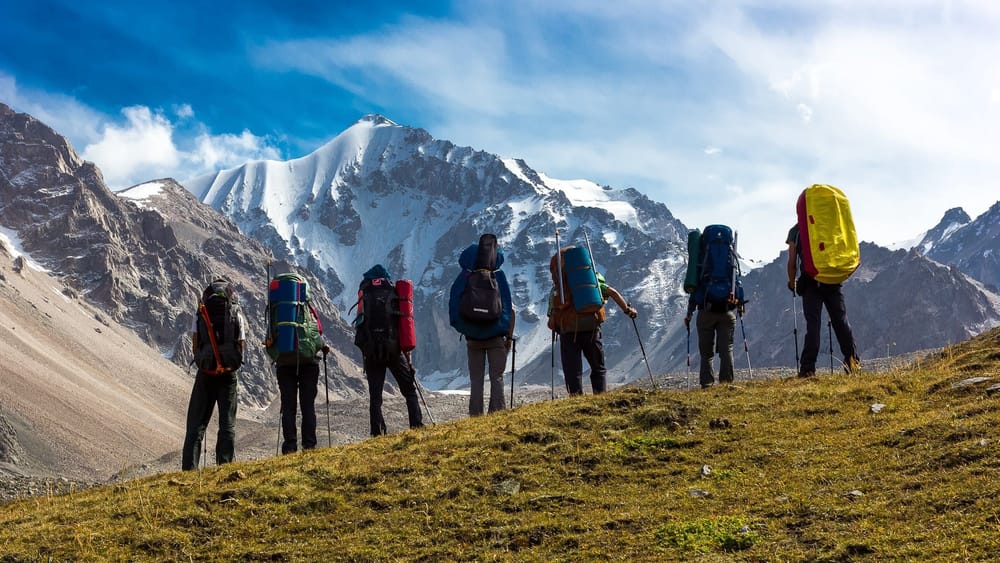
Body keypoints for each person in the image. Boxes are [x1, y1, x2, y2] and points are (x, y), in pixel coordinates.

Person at [548, 252, 636, 395]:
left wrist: (556, 323)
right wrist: (627, 309)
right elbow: (612, 292)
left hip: (569, 332)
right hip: (592, 328)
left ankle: (576, 398)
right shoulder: (592, 280)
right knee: (598, 366)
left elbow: (551, 322)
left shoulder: (559, 288)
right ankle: (600, 395)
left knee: (572, 369)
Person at [182, 279, 247, 470]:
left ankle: (189, 469)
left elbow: (195, 343)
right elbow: (240, 343)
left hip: (206, 372)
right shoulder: (235, 312)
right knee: (227, 423)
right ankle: (224, 466)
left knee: (196, 425)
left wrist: (205, 361)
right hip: (228, 374)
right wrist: (228, 365)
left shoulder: (202, 312)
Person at [354, 264, 424, 436]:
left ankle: (376, 432)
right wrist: (406, 351)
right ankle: (416, 424)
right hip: (394, 349)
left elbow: (359, 324)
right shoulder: (393, 291)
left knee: (375, 396)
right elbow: (403, 322)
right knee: (409, 390)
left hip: (372, 351)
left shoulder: (365, 293)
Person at [448, 237, 515, 415]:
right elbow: (508, 308)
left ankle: (476, 416)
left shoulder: (464, 276)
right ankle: (497, 413)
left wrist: (465, 329)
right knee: (497, 376)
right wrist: (507, 335)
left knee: (476, 379)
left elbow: (454, 306)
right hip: (496, 337)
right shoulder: (498, 276)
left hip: (473, 339)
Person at [787, 223, 860, 377]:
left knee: (813, 324)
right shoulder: (829, 219)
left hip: (810, 281)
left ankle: (808, 369)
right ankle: (853, 363)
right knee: (841, 321)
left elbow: (792, 262)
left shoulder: (796, 230)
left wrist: (792, 282)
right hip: (831, 279)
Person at [684, 289, 738, 389]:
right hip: (726, 312)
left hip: (705, 313)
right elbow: (737, 287)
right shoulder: (730, 272)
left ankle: (707, 383)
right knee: (727, 349)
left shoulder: (701, 272)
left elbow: (694, 292)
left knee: (706, 352)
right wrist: (740, 305)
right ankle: (726, 382)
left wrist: (689, 313)